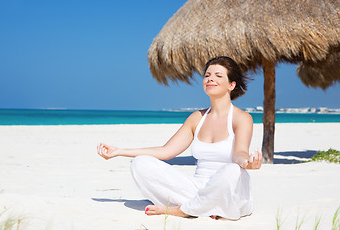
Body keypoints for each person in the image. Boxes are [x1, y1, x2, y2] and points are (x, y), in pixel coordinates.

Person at [97, 56, 262, 220]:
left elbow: (239, 152)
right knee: (140, 163)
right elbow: (165, 151)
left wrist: (246, 162)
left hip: (229, 191)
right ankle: (203, 207)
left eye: (218, 76)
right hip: (196, 189)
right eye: (207, 75)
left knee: (232, 169)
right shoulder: (197, 118)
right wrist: (119, 151)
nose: (210, 78)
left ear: (231, 85)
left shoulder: (242, 118)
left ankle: (182, 210)